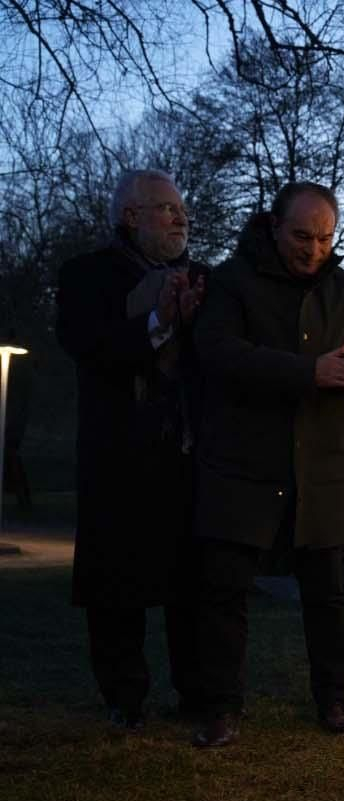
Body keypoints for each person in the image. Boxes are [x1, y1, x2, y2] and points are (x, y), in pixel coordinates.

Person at [189, 182, 344, 746]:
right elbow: (218, 353)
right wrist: (310, 373)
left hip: (322, 468)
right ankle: (220, 708)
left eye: (325, 237)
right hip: (242, 464)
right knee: (225, 592)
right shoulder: (232, 282)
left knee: (327, 593)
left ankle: (335, 700)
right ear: (274, 226)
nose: (314, 249)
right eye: (302, 236)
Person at [56, 169, 205, 731]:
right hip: (119, 459)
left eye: (182, 209)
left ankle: (196, 694)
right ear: (130, 216)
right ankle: (125, 698)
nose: (180, 218)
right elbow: (85, 345)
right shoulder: (86, 275)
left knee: (190, 588)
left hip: (187, 457)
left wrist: (194, 326)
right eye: (166, 209)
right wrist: (156, 324)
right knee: (116, 591)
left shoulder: (201, 278)